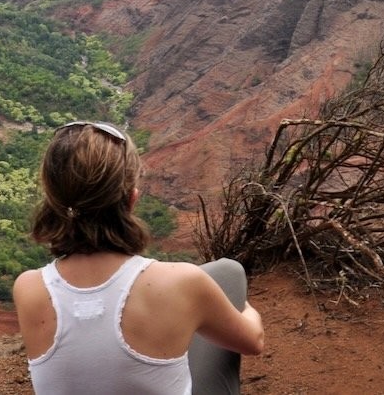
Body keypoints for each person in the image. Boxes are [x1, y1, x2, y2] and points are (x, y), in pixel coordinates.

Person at [14, 121, 265, 395]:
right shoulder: (183, 282)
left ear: (53, 200)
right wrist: (243, 307)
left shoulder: (27, 288)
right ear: (132, 200)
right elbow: (254, 342)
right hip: (188, 307)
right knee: (228, 272)